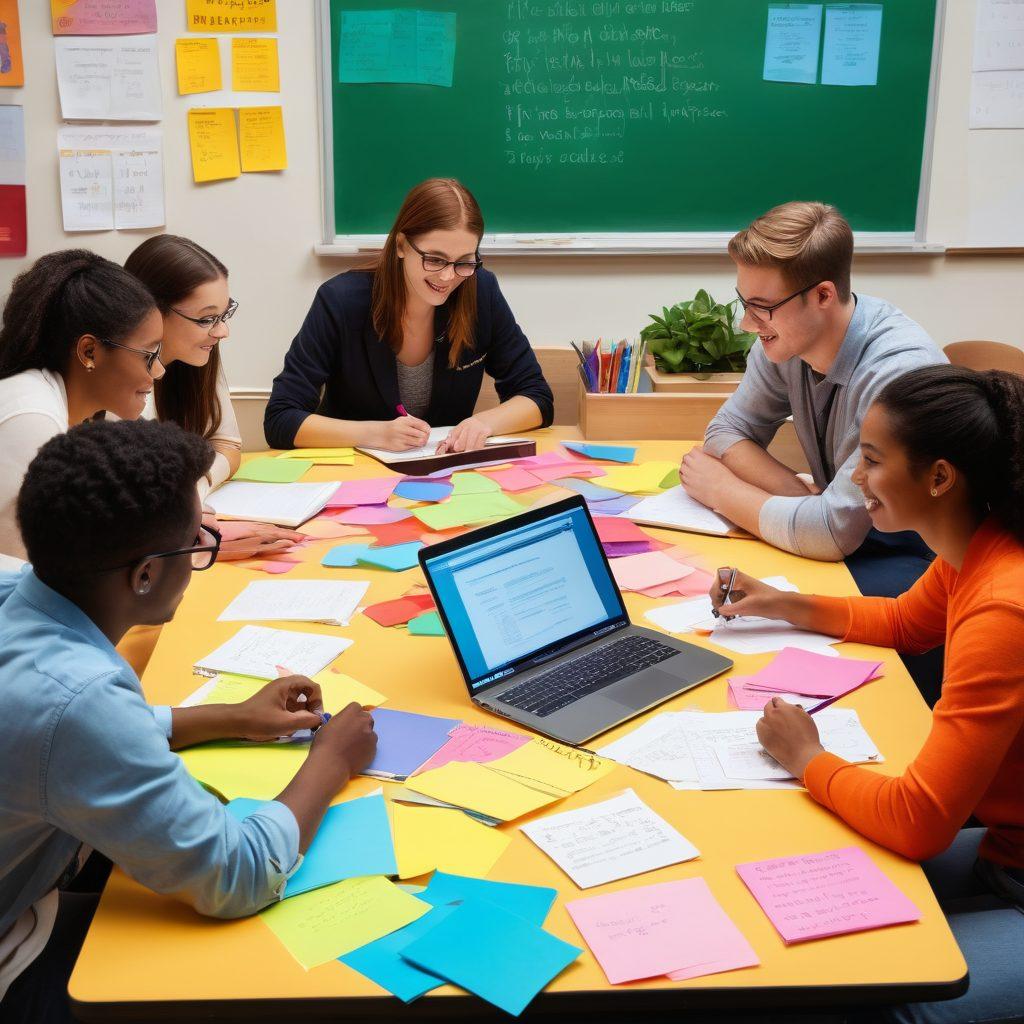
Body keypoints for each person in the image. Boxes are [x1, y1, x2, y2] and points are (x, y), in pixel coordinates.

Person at [0, 418, 378, 1024]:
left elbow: (59, 735)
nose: (204, 548)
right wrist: (330, 761)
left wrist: (230, 717)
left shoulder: (18, 588)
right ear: (145, 573)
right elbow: (239, 875)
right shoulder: (81, 698)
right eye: (197, 541)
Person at [711, 364, 1024, 1024]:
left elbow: (919, 822)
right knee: (793, 891)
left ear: (940, 478)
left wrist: (807, 758)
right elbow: (908, 623)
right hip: (1006, 850)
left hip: (1012, 871)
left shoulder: (1003, 608)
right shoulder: (981, 541)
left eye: (873, 460)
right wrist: (781, 602)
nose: (854, 477)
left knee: (879, 1001)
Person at [265, 177, 554, 454]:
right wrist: (374, 434)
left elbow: (537, 397)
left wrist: (483, 424)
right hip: (354, 478)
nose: (447, 276)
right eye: (435, 259)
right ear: (402, 245)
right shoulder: (340, 301)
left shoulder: (480, 292)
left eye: (464, 262)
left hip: (444, 475)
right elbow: (281, 419)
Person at [125, 234, 302, 561]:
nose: (222, 331)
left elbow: (227, 445)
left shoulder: (196, 357)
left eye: (224, 314)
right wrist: (193, 544)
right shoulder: (117, 383)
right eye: (207, 319)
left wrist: (196, 489)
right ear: (152, 312)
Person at [0, 250, 164, 562]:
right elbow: (20, 570)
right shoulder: (32, 417)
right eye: (148, 355)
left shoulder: (83, 415)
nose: (158, 371)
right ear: (89, 352)